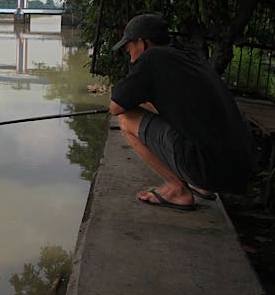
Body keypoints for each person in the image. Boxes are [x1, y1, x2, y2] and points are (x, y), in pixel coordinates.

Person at [108, 14, 255, 210]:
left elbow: (116, 107)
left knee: (126, 119)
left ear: (142, 43)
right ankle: (197, 184)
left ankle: (177, 189)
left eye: (129, 49)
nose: (131, 56)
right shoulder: (187, 54)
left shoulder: (152, 57)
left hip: (209, 168)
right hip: (237, 170)